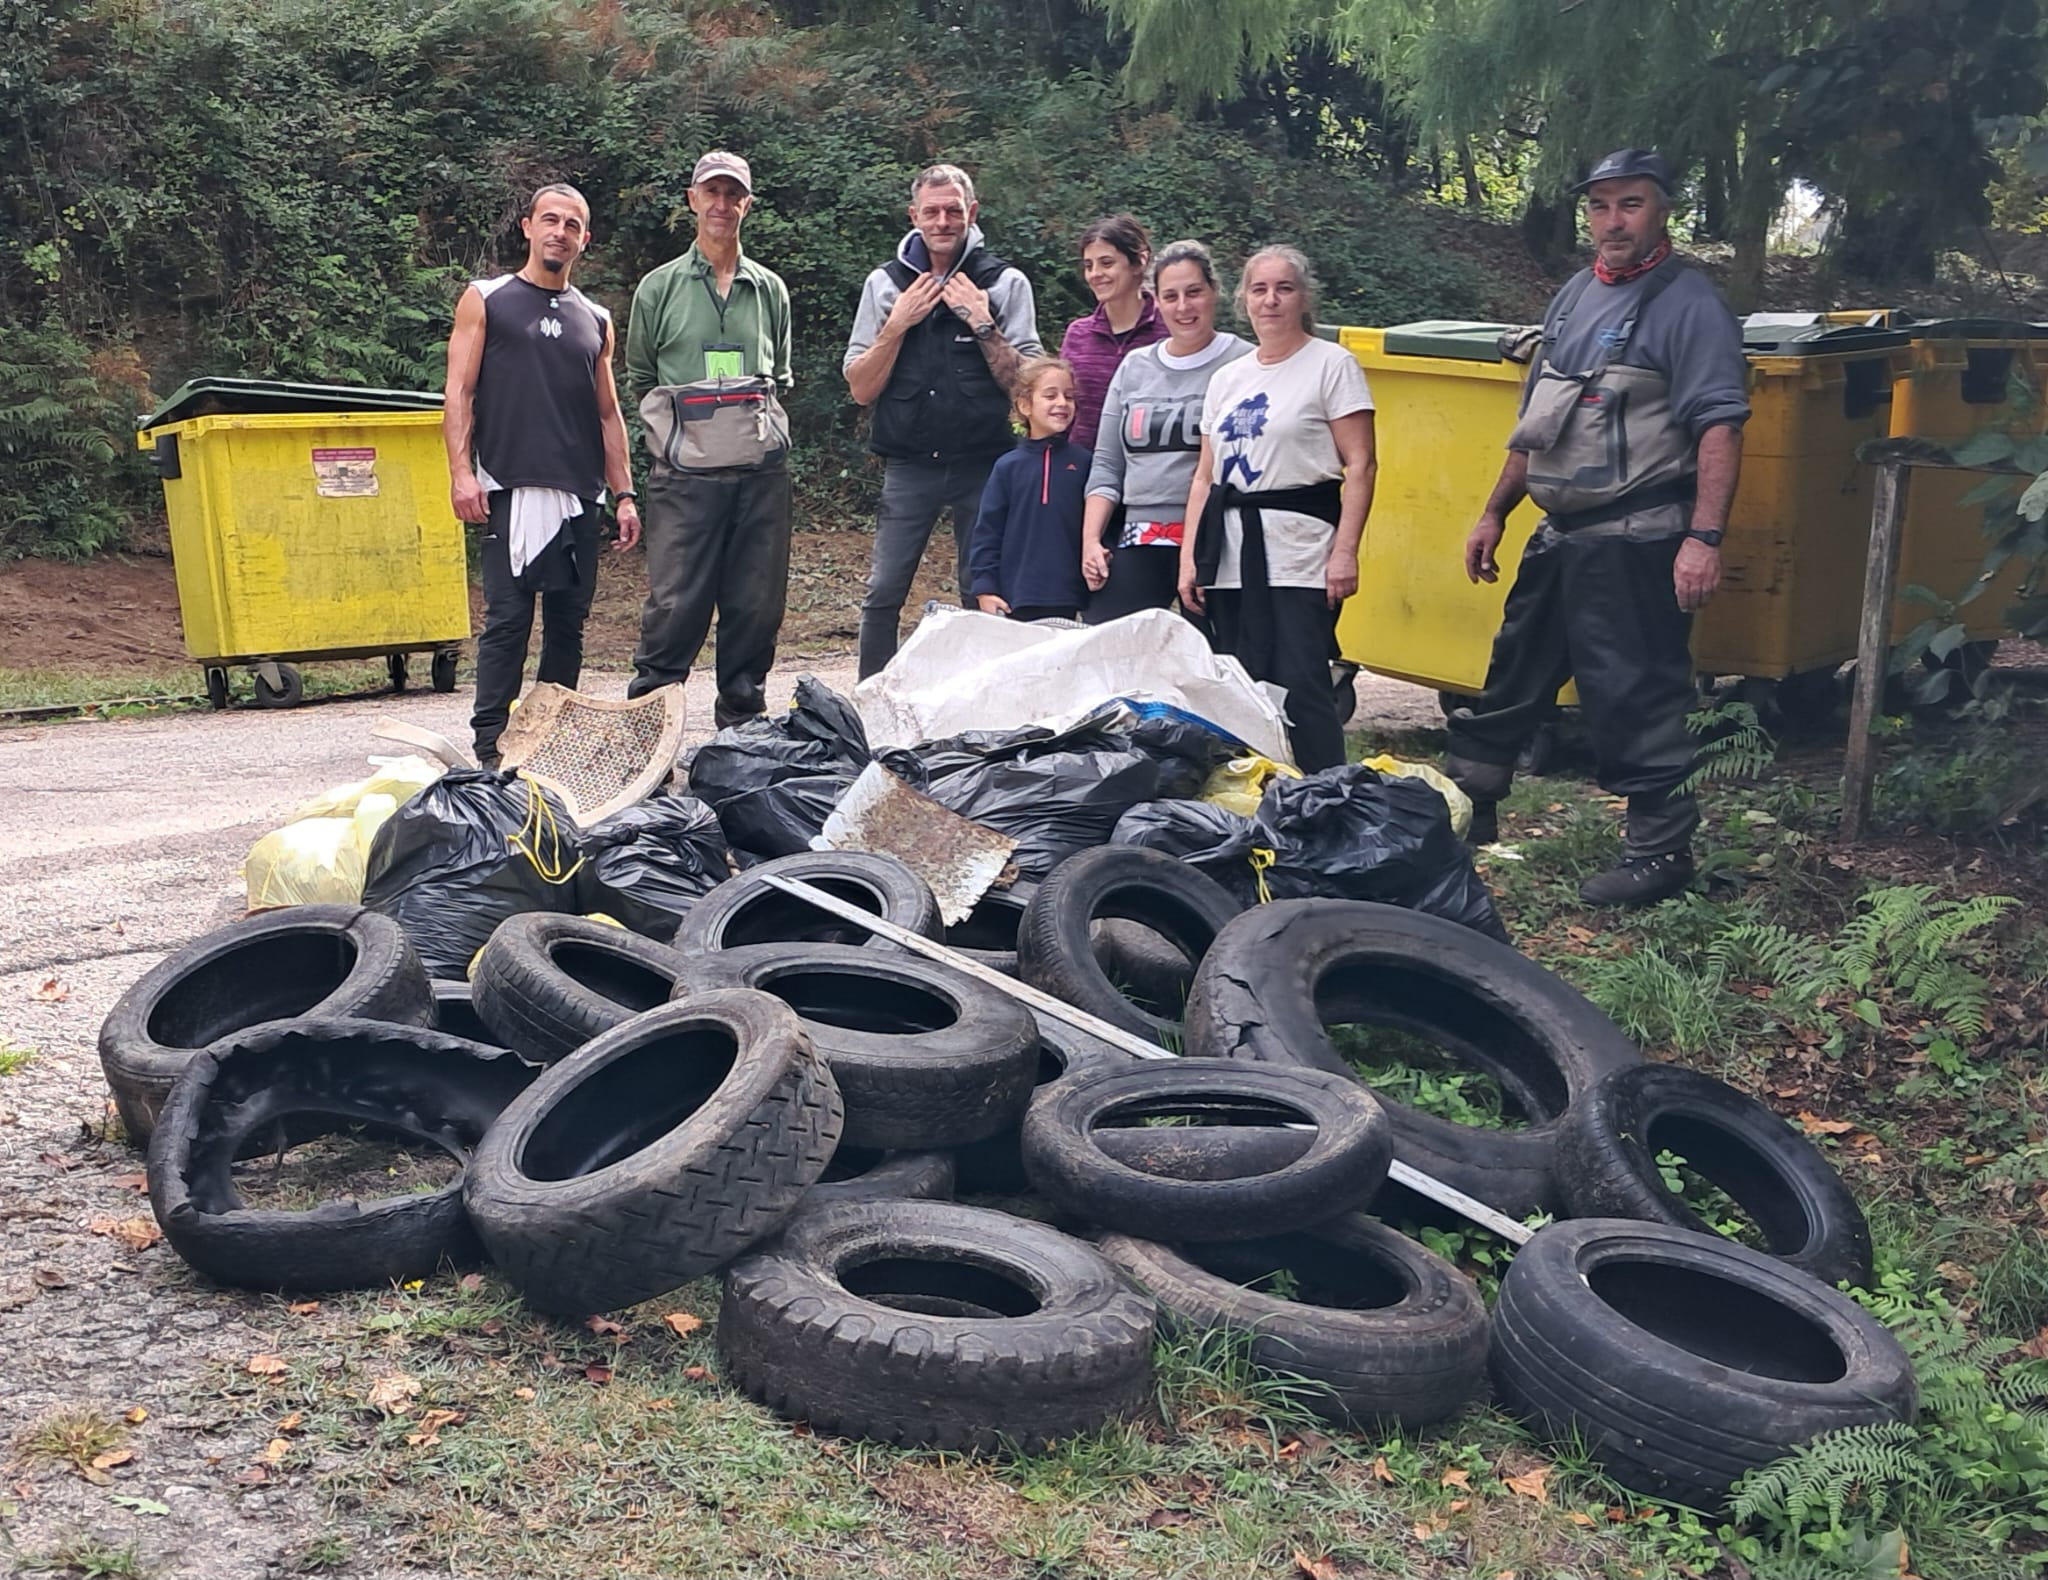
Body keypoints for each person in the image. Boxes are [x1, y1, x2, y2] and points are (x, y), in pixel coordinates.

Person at [1441, 148, 1749, 907]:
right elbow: (1538, 423)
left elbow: (1720, 428)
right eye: (1602, 206)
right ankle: (1461, 820)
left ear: (1663, 208)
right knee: (1511, 678)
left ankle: (1659, 853)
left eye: (1631, 204)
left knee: (1634, 693)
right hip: (1559, 533)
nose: (1614, 221)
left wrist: (1703, 539)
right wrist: (1493, 510)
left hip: (1639, 536)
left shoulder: (1690, 305)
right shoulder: (1576, 294)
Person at [444, 182, 640, 769]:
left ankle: (551, 742)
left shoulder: (597, 319)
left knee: (567, 625)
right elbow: (459, 391)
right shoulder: (487, 298)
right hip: (509, 485)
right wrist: (461, 473)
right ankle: (490, 748)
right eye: (550, 219)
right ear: (527, 227)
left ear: (585, 238)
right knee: (507, 620)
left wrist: (625, 494)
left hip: (579, 493)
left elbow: (607, 412)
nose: (560, 231)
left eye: (572, 224)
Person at [1178, 246, 1375, 773]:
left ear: (1303, 297)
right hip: (1229, 548)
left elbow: (1361, 465)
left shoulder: (1332, 365)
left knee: (1302, 678)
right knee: (1242, 682)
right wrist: (1190, 559)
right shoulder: (1228, 379)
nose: (1270, 300)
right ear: (1243, 299)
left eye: (1283, 288)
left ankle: (1327, 791)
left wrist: (1346, 552)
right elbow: (1205, 476)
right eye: (1259, 289)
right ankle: (1261, 793)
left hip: (1299, 549)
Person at [844, 163, 1044, 678]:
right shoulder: (884, 286)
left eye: (953, 210)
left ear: (971, 213)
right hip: (910, 466)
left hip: (986, 465)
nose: (942, 221)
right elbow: (861, 388)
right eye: (931, 211)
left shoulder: (1004, 284)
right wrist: (897, 324)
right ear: (914, 217)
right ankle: (870, 703)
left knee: (981, 589)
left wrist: (982, 323)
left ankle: (981, 704)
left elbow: (1031, 387)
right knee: (883, 592)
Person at [622, 150, 794, 729]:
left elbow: (782, 378)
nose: (722, 205)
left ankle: (742, 735)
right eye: (711, 193)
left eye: (733, 194)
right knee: (675, 607)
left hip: (760, 478)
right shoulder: (658, 288)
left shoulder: (771, 290)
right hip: (684, 480)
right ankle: (648, 731)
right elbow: (642, 377)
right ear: (693, 200)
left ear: (748, 203)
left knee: (756, 607)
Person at [1082, 239, 1250, 623]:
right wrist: (1091, 540)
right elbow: (1107, 464)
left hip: (1216, 536)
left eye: (1194, 293)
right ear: (1155, 300)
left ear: (1214, 292)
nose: (1183, 307)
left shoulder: (1243, 362)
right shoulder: (1135, 366)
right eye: (1170, 296)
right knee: (1108, 646)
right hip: (1140, 534)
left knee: (1211, 662)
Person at [968, 358, 1090, 622]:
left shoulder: (1085, 463)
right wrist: (985, 587)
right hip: (1015, 596)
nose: (1062, 403)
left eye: (1069, 396)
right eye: (1050, 395)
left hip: (1070, 596)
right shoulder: (1007, 467)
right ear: (1025, 405)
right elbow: (988, 531)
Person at [1059, 214, 1165, 455]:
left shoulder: (1168, 330)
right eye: (1088, 266)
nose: (1095, 274)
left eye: (1106, 263)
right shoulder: (1078, 334)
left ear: (1140, 261)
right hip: (1083, 468)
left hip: (1150, 471)